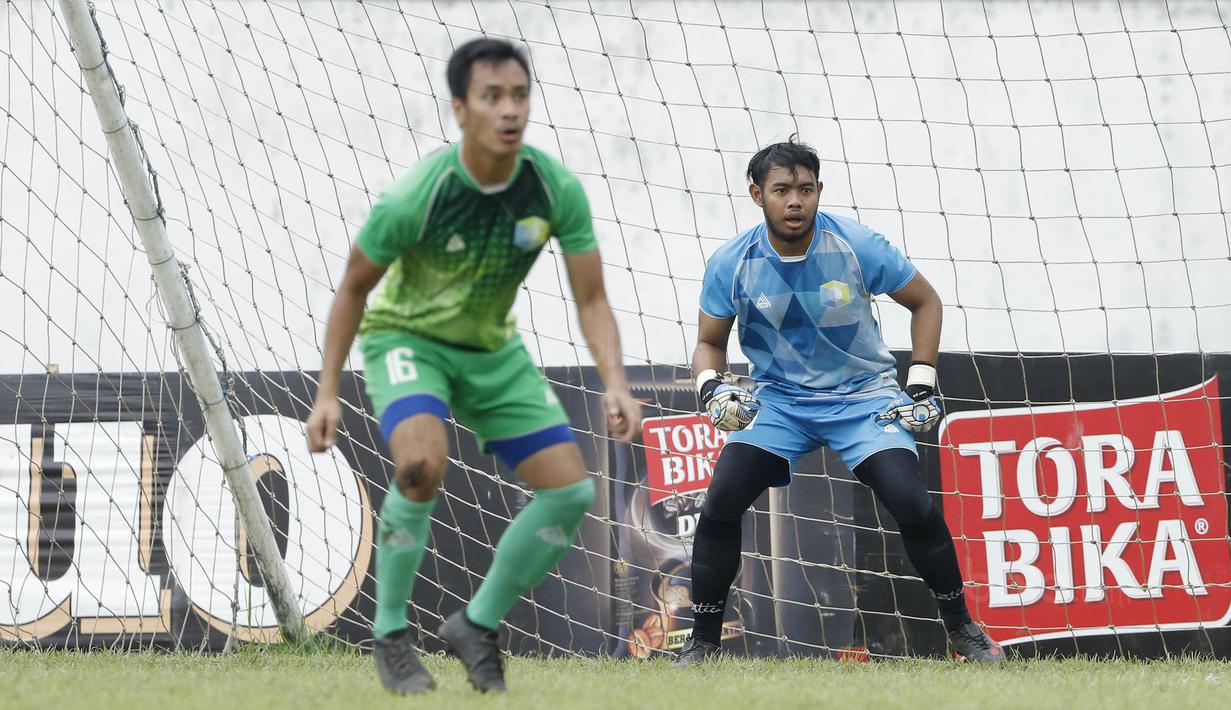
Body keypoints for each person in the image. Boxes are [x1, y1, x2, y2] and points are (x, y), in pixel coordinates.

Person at [305, 37, 641, 695]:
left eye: (519, 95)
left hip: (493, 351)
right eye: (492, 97)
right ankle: (392, 633)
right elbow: (351, 290)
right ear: (460, 109)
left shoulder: (552, 188)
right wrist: (326, 393)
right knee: (422, 466)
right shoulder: (417, 196)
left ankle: (475, 624)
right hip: (407, 340)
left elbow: (592, 298)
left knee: (571, 493)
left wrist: (616, 383)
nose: (509, 110)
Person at [673, 136, 1002, 666]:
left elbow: (926, 301)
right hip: (780, 403)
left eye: (805, 189)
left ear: (819, 190)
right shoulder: (731, 262)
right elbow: (709, 342)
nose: (795, 201)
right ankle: (703, 643)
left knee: (912, 503)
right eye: (782, 190)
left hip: (864, 399)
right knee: (719, 504)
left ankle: (964, 630)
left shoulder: (856, 244)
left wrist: (920, 380)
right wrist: (710, 385)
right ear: (757, 195)